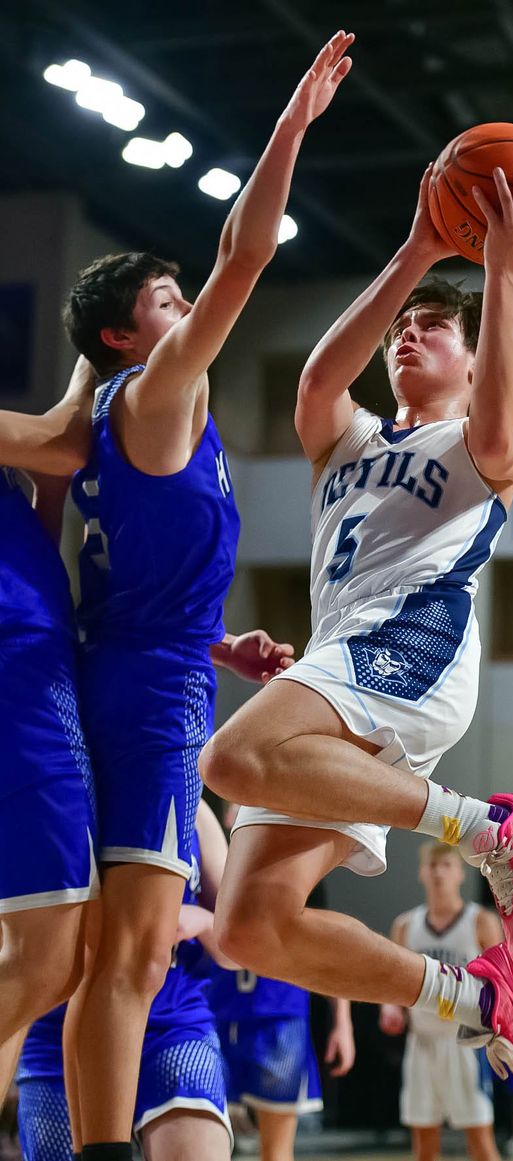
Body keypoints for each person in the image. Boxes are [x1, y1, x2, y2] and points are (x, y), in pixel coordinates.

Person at [200, 161, 513, 1130]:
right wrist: (416, 247)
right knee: (249, 928)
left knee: (230, 758)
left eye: (434, 328)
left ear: (472, 361)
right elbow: (318, 379)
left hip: (412, 644)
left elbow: (499, 410)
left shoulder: (485, 446)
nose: (409, 335)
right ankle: (480, 999)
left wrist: (501, 274)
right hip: (345, 668)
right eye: (403, 328)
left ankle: (497, 830)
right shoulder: (348, 439)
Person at [61, 32, 354, 1161]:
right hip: (147, 698)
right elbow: (246, 253)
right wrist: (291, 126)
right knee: (130, 957)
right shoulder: (157, 390)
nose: (189, 307)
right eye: (166, 300)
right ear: (124, 338)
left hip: (150, 668)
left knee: (115, 954)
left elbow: (130, 578)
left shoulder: (142, 415)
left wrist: (216, 643)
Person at [16, 800, 237, 1161]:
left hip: (170, 1025)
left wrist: (201, 920)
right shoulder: (56, 788)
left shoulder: (192, 805)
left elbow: (237, 947)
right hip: (58, 1032)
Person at [0, 358, 98, 1102]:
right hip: (20, 676)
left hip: (27, 664)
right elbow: (67, 440)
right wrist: (98, 340)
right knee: (48, 962)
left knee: (34, 960)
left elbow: (51, 480)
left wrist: (51, 497)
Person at [206, 804, 355, 1161]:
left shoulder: (296, 863)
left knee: (276, 1151)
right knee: (208, 1145)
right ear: (228, 815)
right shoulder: (208, 857)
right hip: (214, 1018)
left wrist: (342, 1021)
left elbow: (327, 944)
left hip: (279, 1017)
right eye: (238, 802)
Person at [380, 841, 502, 1161]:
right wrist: (390, 1009)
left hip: (466, 1041)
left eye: (446, 866)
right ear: (422, 873)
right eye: (432, 866)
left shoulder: (481, 922)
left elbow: (502, 983)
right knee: (424, 1146)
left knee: (481, 1142)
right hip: (421, 1041)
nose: (438, 873)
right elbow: (393, 983)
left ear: (460, 873)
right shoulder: (405, 925)